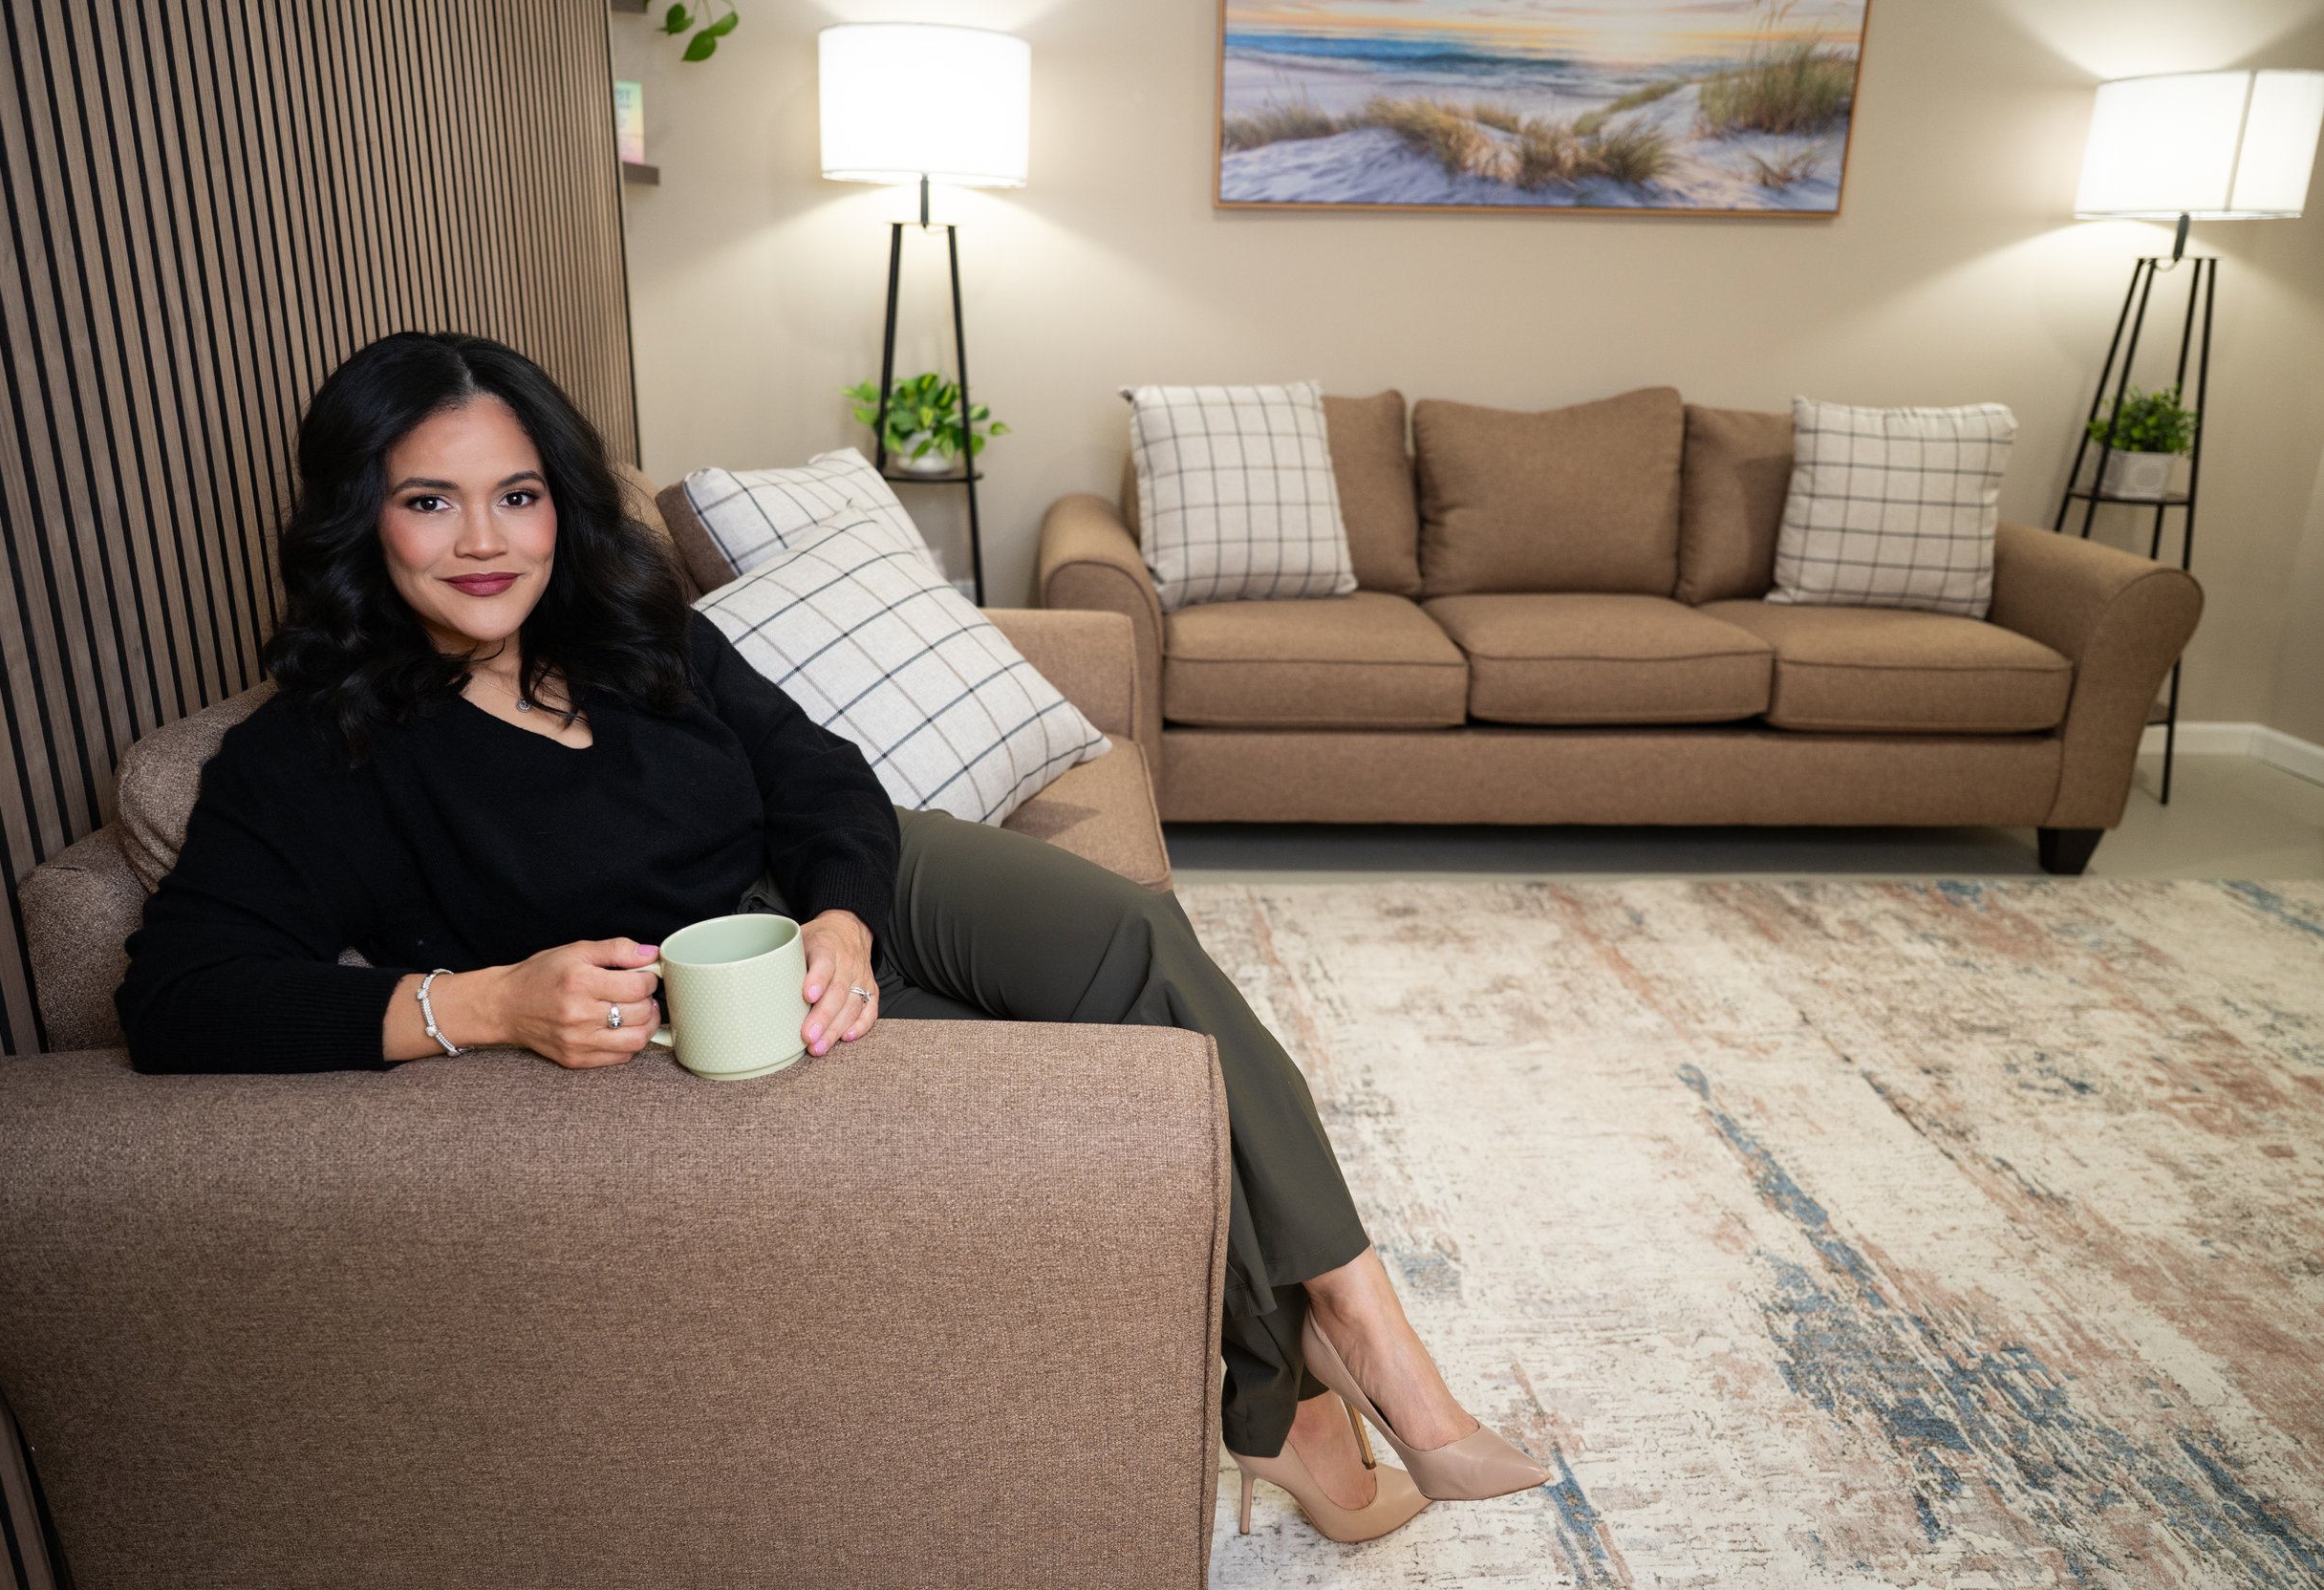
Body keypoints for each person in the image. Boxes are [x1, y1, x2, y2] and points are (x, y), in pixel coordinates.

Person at [117, 332, 1549, 1542]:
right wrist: (477, 1007)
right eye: (431, 502)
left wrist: (852, 920)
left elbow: (819, 777)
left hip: (849, 892)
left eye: (520, 496)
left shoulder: (632, 626)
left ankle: (1385, 1359)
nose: (487, 542)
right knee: (1128, 1102)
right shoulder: (318, 751)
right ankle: (1287, 1409)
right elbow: (179, 999)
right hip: (718, 998)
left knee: (1137, 944)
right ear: (355, 518)